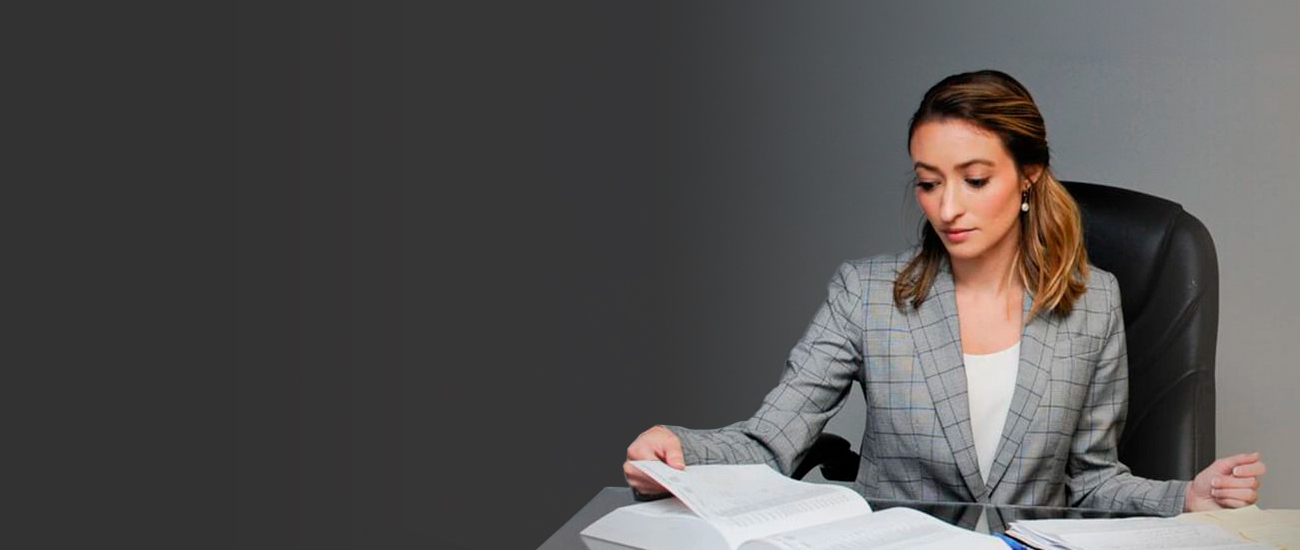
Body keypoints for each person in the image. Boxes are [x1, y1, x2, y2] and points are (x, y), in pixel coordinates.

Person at [623, 70, 1264, 515]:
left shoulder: (1094, 303)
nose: (948, 207)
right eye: (929, 183)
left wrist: (1185, 497)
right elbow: (771, 441)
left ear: (1028, 179)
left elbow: (1091, 482)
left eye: (975, 178)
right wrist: (680, 453)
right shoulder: (866, 293)